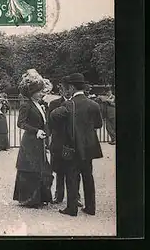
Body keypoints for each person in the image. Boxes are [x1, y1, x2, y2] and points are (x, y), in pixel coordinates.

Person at [50, 73, 103, 217]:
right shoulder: (94, 105)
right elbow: (98, 124)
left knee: (71, 176)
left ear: (72, 87)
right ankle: (91, 208)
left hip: (73, 146)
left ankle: (72, 208)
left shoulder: (68, 104)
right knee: (88, 176)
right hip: (89, 147)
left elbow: (54, 116)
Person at [13, 69, 53, 208]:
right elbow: (20, 123)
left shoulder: (40, 104)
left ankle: (41, 197)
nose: (42, 93)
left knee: (41, 167)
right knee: (31, 168)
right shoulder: (26, 104)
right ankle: (30, 199)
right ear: (32, 92)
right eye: (39, 91)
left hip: (39, 141)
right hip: (30, 141)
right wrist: (36, 131)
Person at [47, 77, 82, 206]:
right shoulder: (54, 104)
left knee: (75, 171)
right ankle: (59, 194)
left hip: (73, 141)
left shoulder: (77, 103)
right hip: (58, 141)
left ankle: (75, 196)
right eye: (63, 89)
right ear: (60, 89)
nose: (66, 92)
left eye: (68, 89)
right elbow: (49, 123)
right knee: (59, 170)